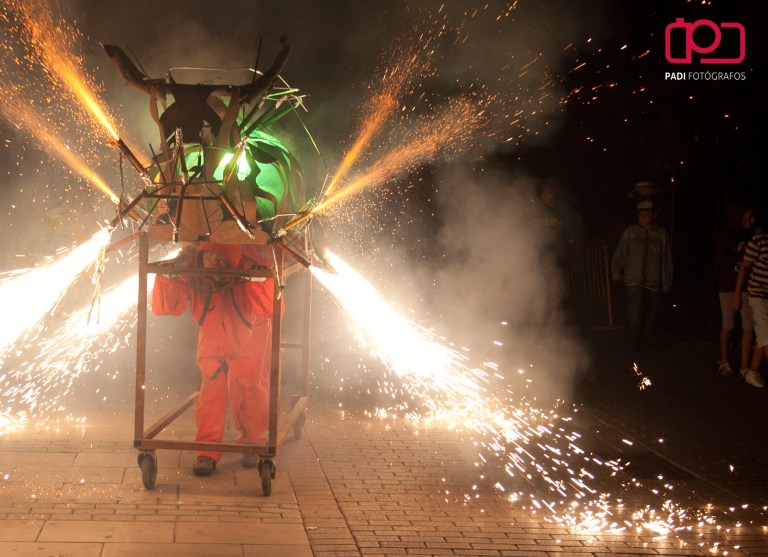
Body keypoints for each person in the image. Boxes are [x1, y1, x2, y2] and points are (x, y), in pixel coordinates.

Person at [152, 242, 278, 475]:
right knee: (211, 387)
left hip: (251, 330)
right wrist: (167, 275)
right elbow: (168, 305)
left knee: (250, 383)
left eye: (218, 259)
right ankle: (207, 450)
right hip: (212, 330)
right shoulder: (192, 265)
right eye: (208, 258)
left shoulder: (251, 262)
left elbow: (272, 306)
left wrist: (260, 280)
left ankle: (251, 443)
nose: (213, 263)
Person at [610, 199, 673, 351]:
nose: (643, 217)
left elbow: (666, 258)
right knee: (635, 308)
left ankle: (647, 337)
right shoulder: (631, 232)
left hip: (653, 278)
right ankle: (633, 339)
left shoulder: (661, 233)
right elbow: (621, 251)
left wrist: (666, 282)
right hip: (634, 277)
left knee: (652, 310)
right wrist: (616, 271)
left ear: (654, 215)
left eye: (647, 214)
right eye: (641, 214)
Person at [715, 204, 759, 376]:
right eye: (747, 217)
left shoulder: (756, 236)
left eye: (753, 217)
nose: (751, 221)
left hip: (748, 286)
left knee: (749, 326)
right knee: (729, 323)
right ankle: (724, 361)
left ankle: (744, 366)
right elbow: (720, 259)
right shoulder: (728, 235)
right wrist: (738, 252)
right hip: (728, 286)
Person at [732, 230, 768, 388]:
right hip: (758, 294)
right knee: (766, 335)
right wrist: (737, 294)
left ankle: (752, 372)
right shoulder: (760, 240)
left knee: (763, 334)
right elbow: (745, 267)